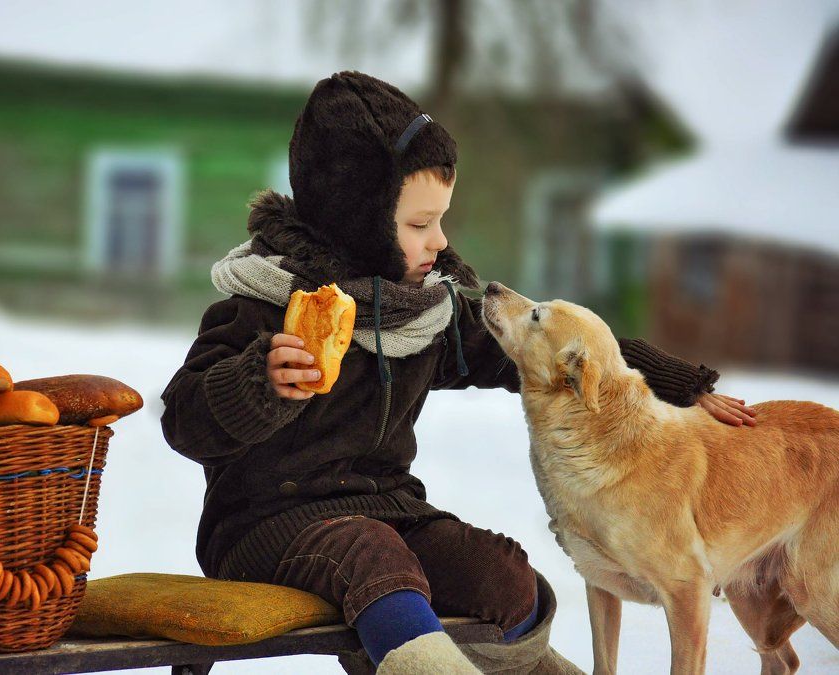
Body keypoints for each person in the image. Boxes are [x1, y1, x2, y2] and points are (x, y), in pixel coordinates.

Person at [160, 71, 756, 674]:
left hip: (385, 509)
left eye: (440, 220)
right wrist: (257, 384)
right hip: (263, 526)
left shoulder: (422, 315)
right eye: (419, 225)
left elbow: (544, 347)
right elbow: (184, 421)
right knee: (372, 556)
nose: (439, 243)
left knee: (499, 575)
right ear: (357, 220)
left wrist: (679, 383)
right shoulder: (261, 305)